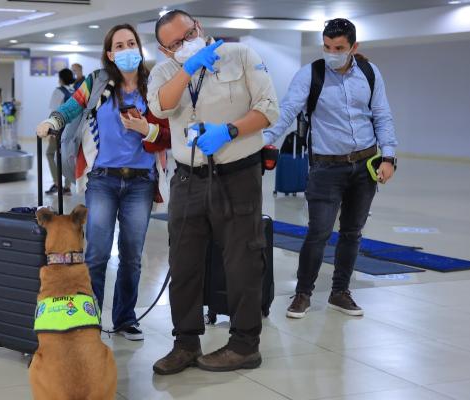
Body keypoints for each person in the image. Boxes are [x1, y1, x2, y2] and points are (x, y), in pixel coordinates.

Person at [147, 10, 279, 374]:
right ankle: (186, 343)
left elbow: (268, 110)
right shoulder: (163, 72)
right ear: (164, 49)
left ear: (199, 27)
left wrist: (230, 131)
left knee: (242, 260)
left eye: (188, 35)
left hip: (237, 175)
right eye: (174, 43)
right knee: (184, 262)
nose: (184, 44)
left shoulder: (241, 56)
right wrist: (187, 68)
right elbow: (160, 105)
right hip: (188, 179)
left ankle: (243, 345)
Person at [37, 24, 171, 341]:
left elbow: (168, 129)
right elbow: (73, 107)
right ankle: (89, 318)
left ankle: (125, 318)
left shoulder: (154, 85)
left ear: (140, 47)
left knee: (132, 255)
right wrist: (53, 121)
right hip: (103, 180)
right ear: (110, 53)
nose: (127, 50)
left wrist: (144, 128)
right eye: (119, 45)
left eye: (131, 43)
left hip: (141, 182)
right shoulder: (97, 82)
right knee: (96, 254)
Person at [263, 18, 398, 319]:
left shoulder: (369, 73)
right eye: (327, 47)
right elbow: (287, 112)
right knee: (318, 232)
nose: (332, 52)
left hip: (365, 166)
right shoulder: (310, 74)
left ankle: (340, 292)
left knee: (352, 232)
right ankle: (302, 294)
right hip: (326, 168)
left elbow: (382, 116)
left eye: (339, 48)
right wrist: (264, 140)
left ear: (354, 47)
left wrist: (388, 157)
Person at [44, 68, 76, 196]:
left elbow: (55, 112)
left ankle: (57, 184)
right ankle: (67, 187)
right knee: (68, 156)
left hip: (60, 129)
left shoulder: (58, 91)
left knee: (50, 153)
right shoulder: (75, 91)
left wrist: (51, 130)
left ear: (61, 79)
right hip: (73, 129)